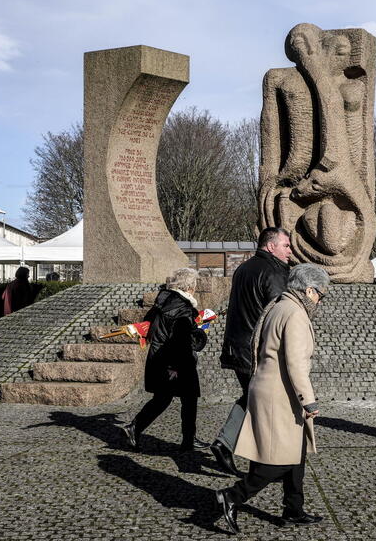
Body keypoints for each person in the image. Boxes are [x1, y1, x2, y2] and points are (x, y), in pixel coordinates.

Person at [216, 264, 328, 533]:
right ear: (309, 290)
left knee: (296, 454)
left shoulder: (278, 304)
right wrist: (309, 401)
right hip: (281, 394)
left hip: (269, 388)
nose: (320, 301)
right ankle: (232, 496)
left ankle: (293, 509)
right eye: (320, 295)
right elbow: (296, 364)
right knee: (280, 461)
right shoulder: (296, 315)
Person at [210, 227, 292, 476]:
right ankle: (263, 464)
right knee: (267, 404)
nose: (290, 251)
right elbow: (281, 314)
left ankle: (226, 444)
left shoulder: (243, 269)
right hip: (257, 349)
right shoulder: (274, 271)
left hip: (238, 346)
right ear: (270, 246)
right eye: (286, 245)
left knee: (251, 398)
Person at [120, 268, 209, 452]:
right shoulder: (183, 308)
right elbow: (181, 339)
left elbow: (152, 326)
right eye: (195, 285)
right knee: (186, 398)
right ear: (190, 287)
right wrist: (176, 365)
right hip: (176, 359)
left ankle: (137, 428)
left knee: (164, 397)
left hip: (158, 356)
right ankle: (186, 440)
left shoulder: (163, 301)